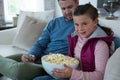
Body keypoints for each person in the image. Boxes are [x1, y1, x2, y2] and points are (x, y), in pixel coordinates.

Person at [0, 0, 79, 80]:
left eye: (70, 7)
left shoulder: (82, 25)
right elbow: (40, 43)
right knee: (6, 59)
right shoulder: (54, 22)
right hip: (38, 57)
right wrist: (32, 55)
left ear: (77, 2)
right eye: (63, 8)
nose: (67, 12)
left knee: (18, 70)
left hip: (51, 66)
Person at [33, 3, 113, 80]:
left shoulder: (100, 45)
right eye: (76, 24)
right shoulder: (76, 39)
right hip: (71, 76)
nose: (80, 28)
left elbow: (100, 76)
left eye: (84, 24)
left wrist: (72, 74)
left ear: (95, 22)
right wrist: (57, 57)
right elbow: (71, 61)